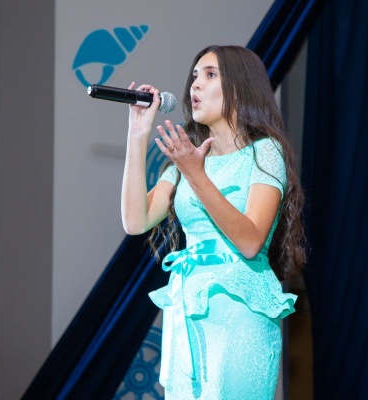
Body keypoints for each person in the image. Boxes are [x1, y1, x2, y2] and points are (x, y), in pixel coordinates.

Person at [121, 45, 306, 400]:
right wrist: (137, 134)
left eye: (209, 75)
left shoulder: (265, 151)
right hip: (188, 309)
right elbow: (135, 220)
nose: (195, 85)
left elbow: (251, 241)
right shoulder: (187, 162)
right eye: (194, 76)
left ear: (241, 86)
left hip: (239, 312)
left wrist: (196, 174)